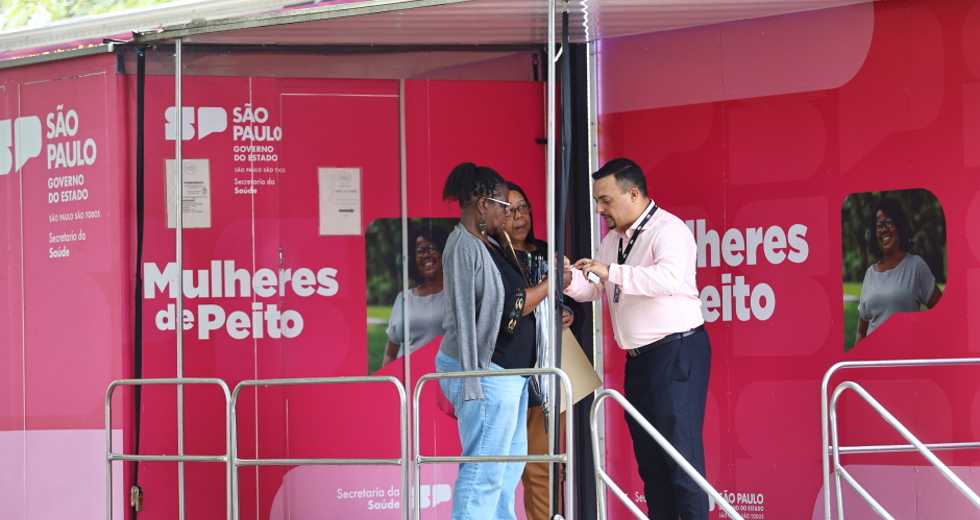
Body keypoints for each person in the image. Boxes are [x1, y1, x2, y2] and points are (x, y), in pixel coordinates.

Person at [563, 158, 710, 520]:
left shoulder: (668, 230)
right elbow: (595, 287)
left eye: (605, 200)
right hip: (640, 360)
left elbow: (667, 280)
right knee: (651, 463)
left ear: (633, 193)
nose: (599, 209)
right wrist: (568, 278)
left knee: (682, 459)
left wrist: (610, 271)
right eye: (597, 201)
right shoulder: (614, 239)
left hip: (677, 352)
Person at [435, 162, 550, 520]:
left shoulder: (491, 245)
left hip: (508, 373)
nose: (509, 212)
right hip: (487, 372)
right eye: (503, 204)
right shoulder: (464, 247)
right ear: (482, 204)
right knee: (484, 471)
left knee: (506, 470)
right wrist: (550, 285)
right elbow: (498, 311)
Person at [502, 181, 583, 520]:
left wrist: (568, 313)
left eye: (524, 207)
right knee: (518, 466)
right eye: (510, 210)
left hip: (553, 368)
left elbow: (572, 300)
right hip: (510, 370)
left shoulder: (549, 252)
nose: (520, 216)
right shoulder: (492, 256)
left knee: (551, 463)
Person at [855, 196, 942, 343]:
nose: (883, 229)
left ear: (899, 226)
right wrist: (858, 364)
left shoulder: (915, 265)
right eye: (878, 225)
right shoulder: (870, 273)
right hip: (874, 362)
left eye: (888, 222)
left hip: (902, 360)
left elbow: (941, 313)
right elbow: (861, 331)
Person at [382, 221, 449, 366]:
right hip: (406, 383)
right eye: (419, 251)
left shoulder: (457, 296)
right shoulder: (403, 298)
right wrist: (386, 386)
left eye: (431, 248)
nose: (425, 255)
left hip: (441, 381)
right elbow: (390, 353)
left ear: (444, 251)